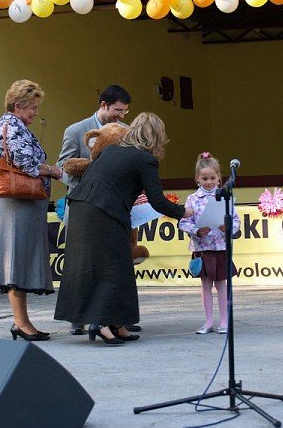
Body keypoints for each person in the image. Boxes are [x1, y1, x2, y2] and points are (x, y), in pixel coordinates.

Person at [53, 112, 193, 345]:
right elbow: (157, 201)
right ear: (156, 136)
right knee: (113, 267)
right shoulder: (145, 159)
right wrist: (184, 211)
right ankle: (100, 323)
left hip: (80, 207)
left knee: (102, 266)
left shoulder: (112, 150)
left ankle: (118, 324)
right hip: (103, 211)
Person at [0, 80, 63, 341]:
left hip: (21, 202)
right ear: (18, 105)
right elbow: (26, 163)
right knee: (16, 258)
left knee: (19, 257)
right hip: (15, 202)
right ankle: (20, 323)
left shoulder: (14, 125)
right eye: (32, 107)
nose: (35, 112)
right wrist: (53, 170)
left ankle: (21, 321)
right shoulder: (12, 126)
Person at [57, 84, 132, 336]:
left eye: (125, 111)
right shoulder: (76, 130)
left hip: (113, 208)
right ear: (103, 105)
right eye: (117, 110)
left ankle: (115, 317)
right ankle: (78, 318)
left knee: (112, 265)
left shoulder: (125, 132)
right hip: (82, 206)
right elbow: (63, 167)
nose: (121, 116)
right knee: (81, 264)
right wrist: (92, 174)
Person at [179, 152, 240, 334]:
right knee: (205, 285)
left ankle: (224, 321)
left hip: (221, 246)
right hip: (202, 248)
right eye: (204, 178)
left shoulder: (225, 197)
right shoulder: (192, 199)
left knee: (221, 284)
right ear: (197, 178)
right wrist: (197, 231)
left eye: (212, 178)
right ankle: (207, 322)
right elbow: (184, 222)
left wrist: (228, 227)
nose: (209, 182)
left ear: (219, 178)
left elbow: (235, 220)